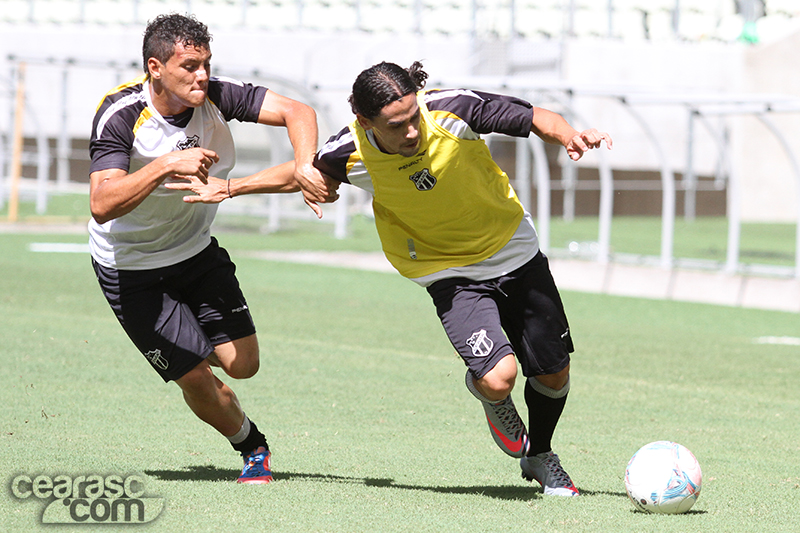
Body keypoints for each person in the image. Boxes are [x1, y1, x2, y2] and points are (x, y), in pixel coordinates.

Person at [312, 62, 612, 496]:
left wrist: (569, 135)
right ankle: (488, 391)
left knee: (554, 374)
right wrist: (246, 186)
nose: (412, 131)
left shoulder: (453, 110)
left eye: (414, 117)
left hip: (515, 250)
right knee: (498, 378)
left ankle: (541, 455)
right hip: (447, 270)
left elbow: (534, 117)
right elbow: (311, 172)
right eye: (397, 126)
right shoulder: (347, 150)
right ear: (365, 120)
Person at [87, 13, 335, 484]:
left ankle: (197, 350)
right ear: (155, 68)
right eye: (189, 66)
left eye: (206, 63)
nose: (201, 75)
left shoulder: (218, 95)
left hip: (196, 253)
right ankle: (251, 445)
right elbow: (102, 204)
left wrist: (305, 167)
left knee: (243, 365)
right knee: (195, 376)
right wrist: (164, 165)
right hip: (131, 270)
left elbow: (298, 112)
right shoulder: (120, 114)